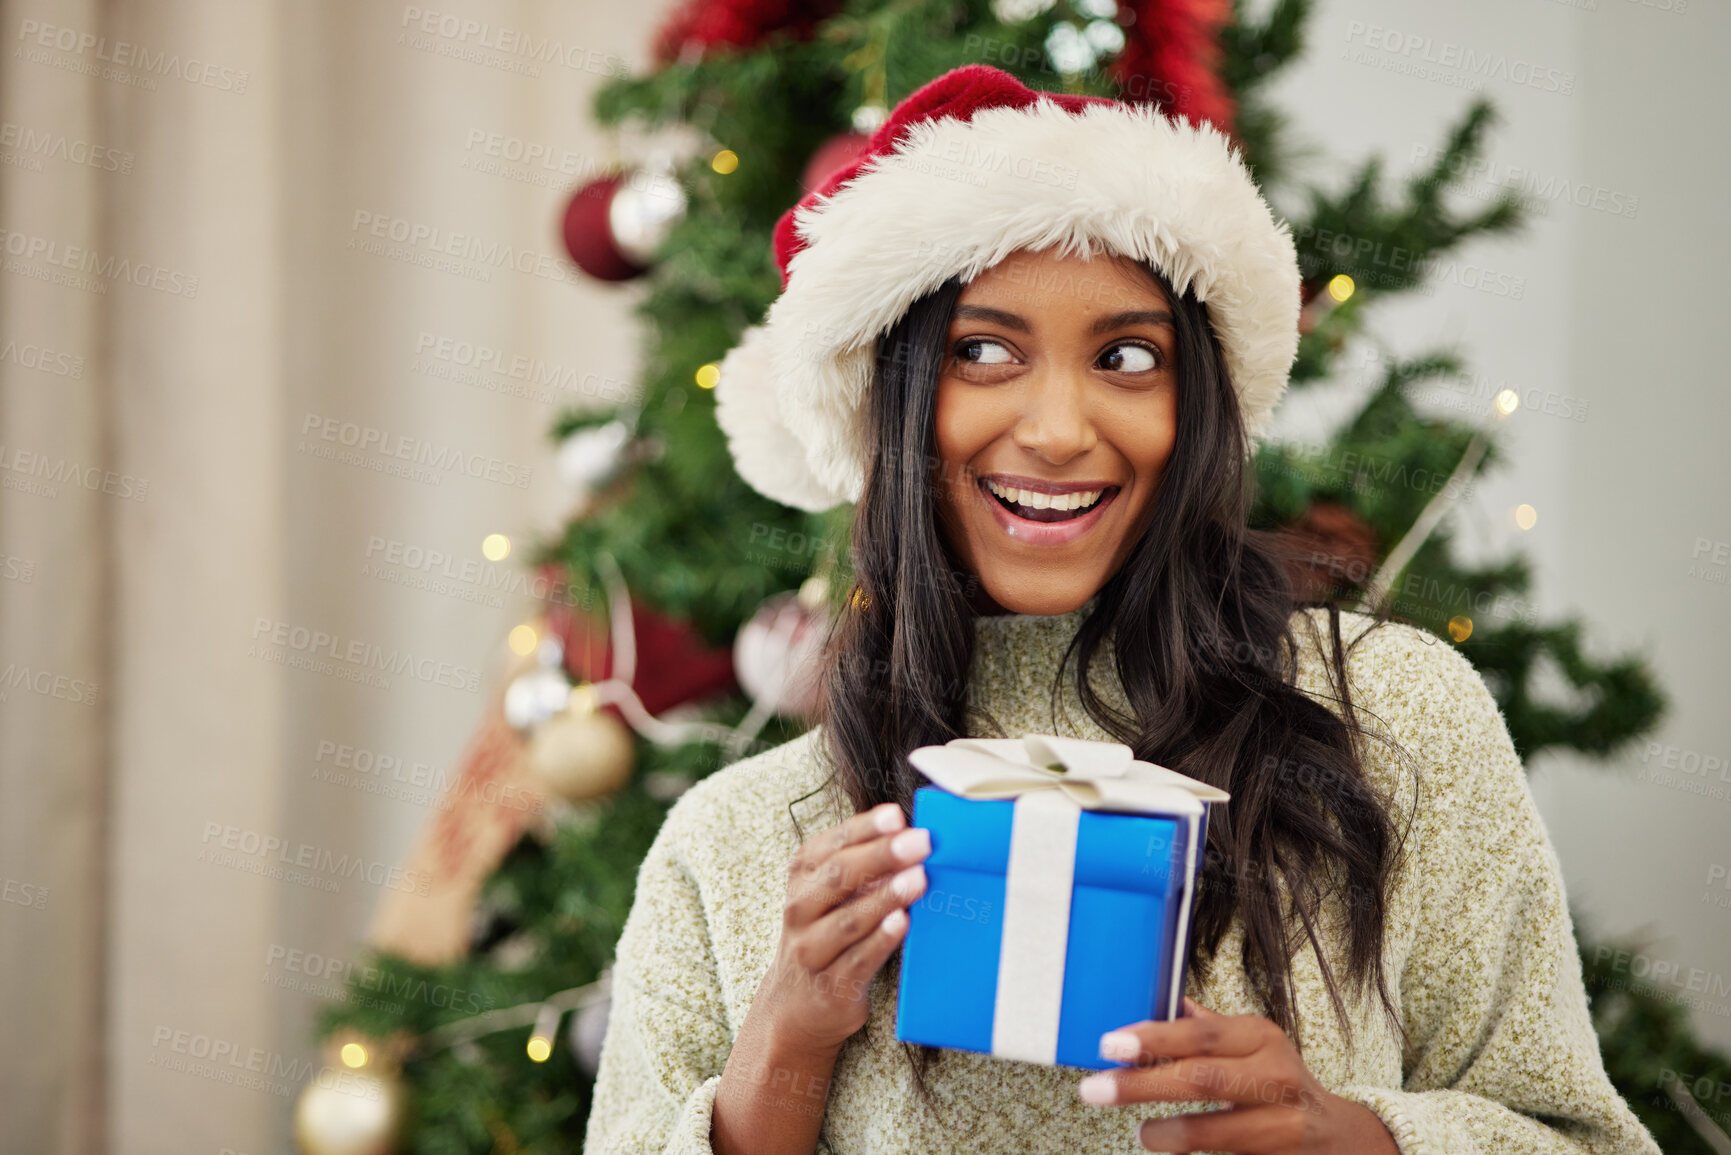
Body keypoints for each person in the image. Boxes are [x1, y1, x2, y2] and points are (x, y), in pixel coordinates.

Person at [582, 65, 1660, 1155]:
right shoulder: (736, 843)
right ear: (892, 400)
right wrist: (787, 1046)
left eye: (1128, 357)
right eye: (983, 352)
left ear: (1197, 402)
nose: (1057, 429)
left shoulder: (1391, 716)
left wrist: (1357, 1139)